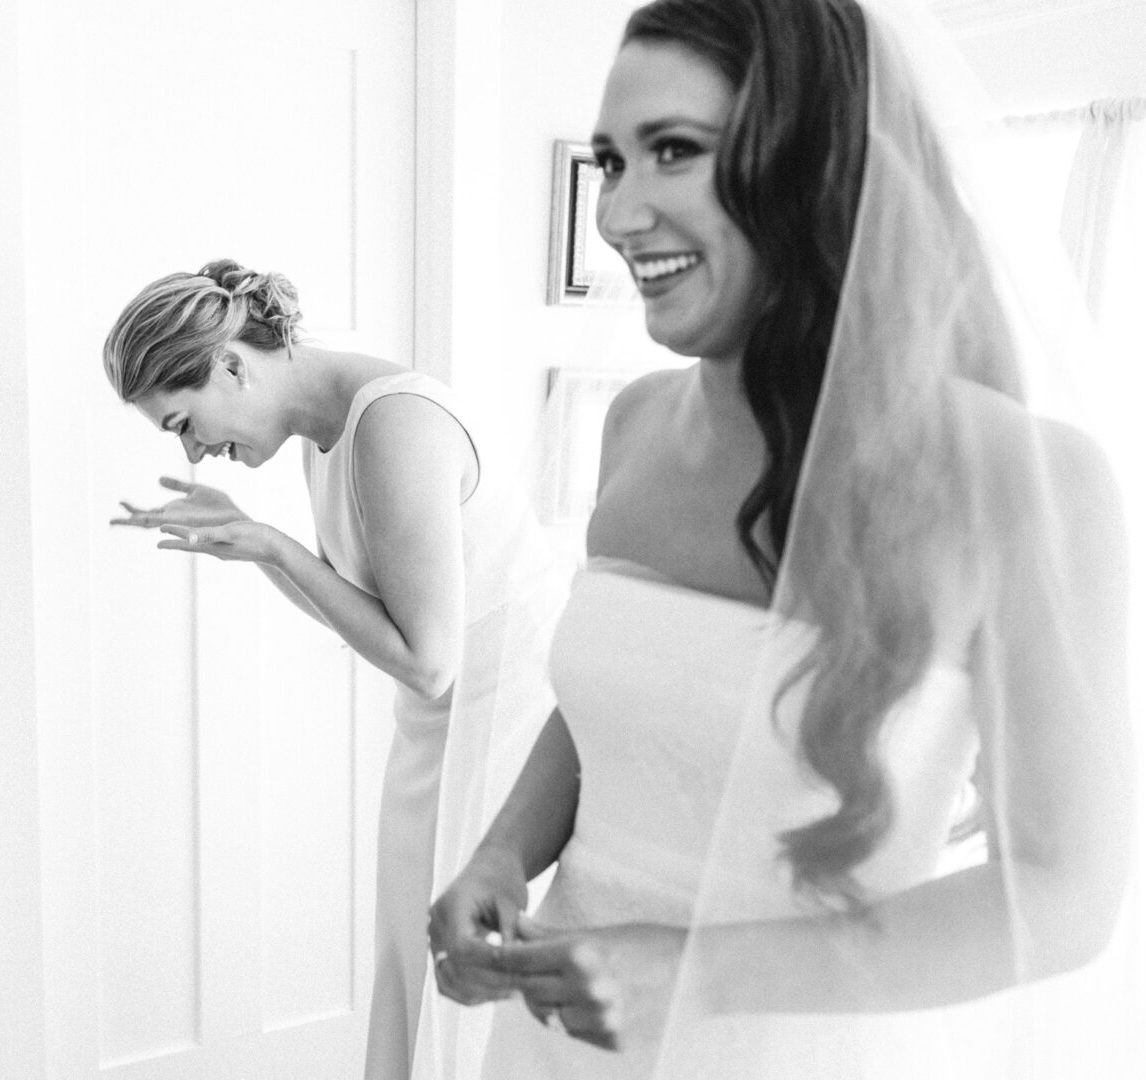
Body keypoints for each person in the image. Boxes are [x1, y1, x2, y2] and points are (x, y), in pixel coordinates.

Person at [428, 0, 1137, 1076]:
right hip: (562, 1033)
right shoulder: (633, 426)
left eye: (674, 151)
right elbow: (615, 706)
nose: (618, 214)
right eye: (613, 162)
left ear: (815, 161)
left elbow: (1064, 895)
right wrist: (502, 850)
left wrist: (691, 971)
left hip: (810, 1044)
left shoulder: (1022, 480)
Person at [103, 259, 567, 1080]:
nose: (196, 450)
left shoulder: (394, 424)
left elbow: (428, 663)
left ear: (232, 366)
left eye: (182, 421)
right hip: (437, 732)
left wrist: (274, 544)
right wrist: (252, 547)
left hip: (506, 735)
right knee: (411, 961)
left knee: (466, 985)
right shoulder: (328, 436)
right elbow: (364, 619)